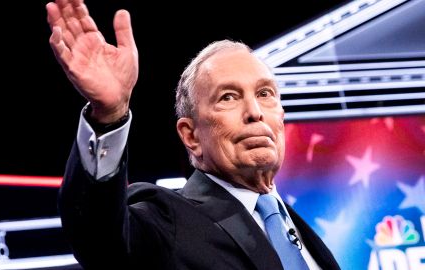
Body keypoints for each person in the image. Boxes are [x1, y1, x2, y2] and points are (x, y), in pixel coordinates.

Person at [46, 0, 341, 269]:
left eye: (265, 93)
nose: (255, 111)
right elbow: (99, 239)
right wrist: (109, 116)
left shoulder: (302, 233)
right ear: (191, 136)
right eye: (228, 97)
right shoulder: (168, 220)